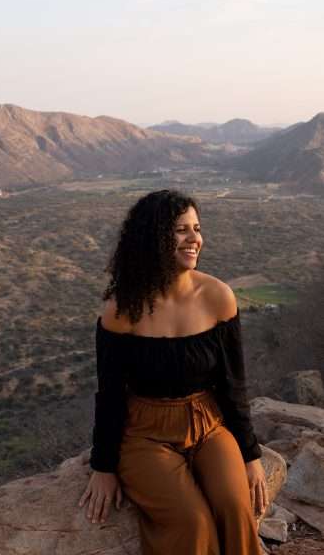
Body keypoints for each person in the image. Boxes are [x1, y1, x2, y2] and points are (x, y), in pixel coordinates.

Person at [78, 189, 268, 555]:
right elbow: (111, 395)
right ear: (153, 238)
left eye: (196, 228)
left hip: (208, 424)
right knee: (190, 521)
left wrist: (251, 453)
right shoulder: (121, 312)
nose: (194, 238)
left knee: (235, 506)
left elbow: (233, 383)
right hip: (145, 434)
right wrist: (103, 467)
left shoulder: (218, 297)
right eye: (181, 230)